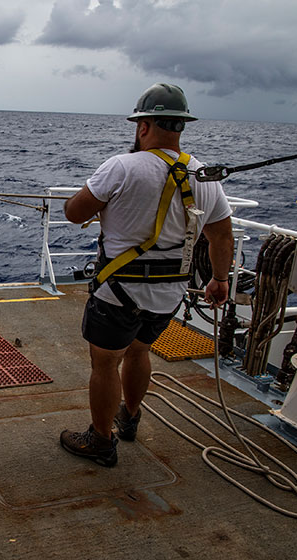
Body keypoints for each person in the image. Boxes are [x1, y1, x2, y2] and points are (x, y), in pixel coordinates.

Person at [59, 83, 234, 467]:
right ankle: (130, 417)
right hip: (170, 293)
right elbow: (221, 234)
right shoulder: (202, 174)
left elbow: (75, 212)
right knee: (139, 353)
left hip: (118, 292)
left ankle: (102, 442)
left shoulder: (122, 166)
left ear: (143, 126)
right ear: (180, 127)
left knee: (105, 364)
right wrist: (219, 280)